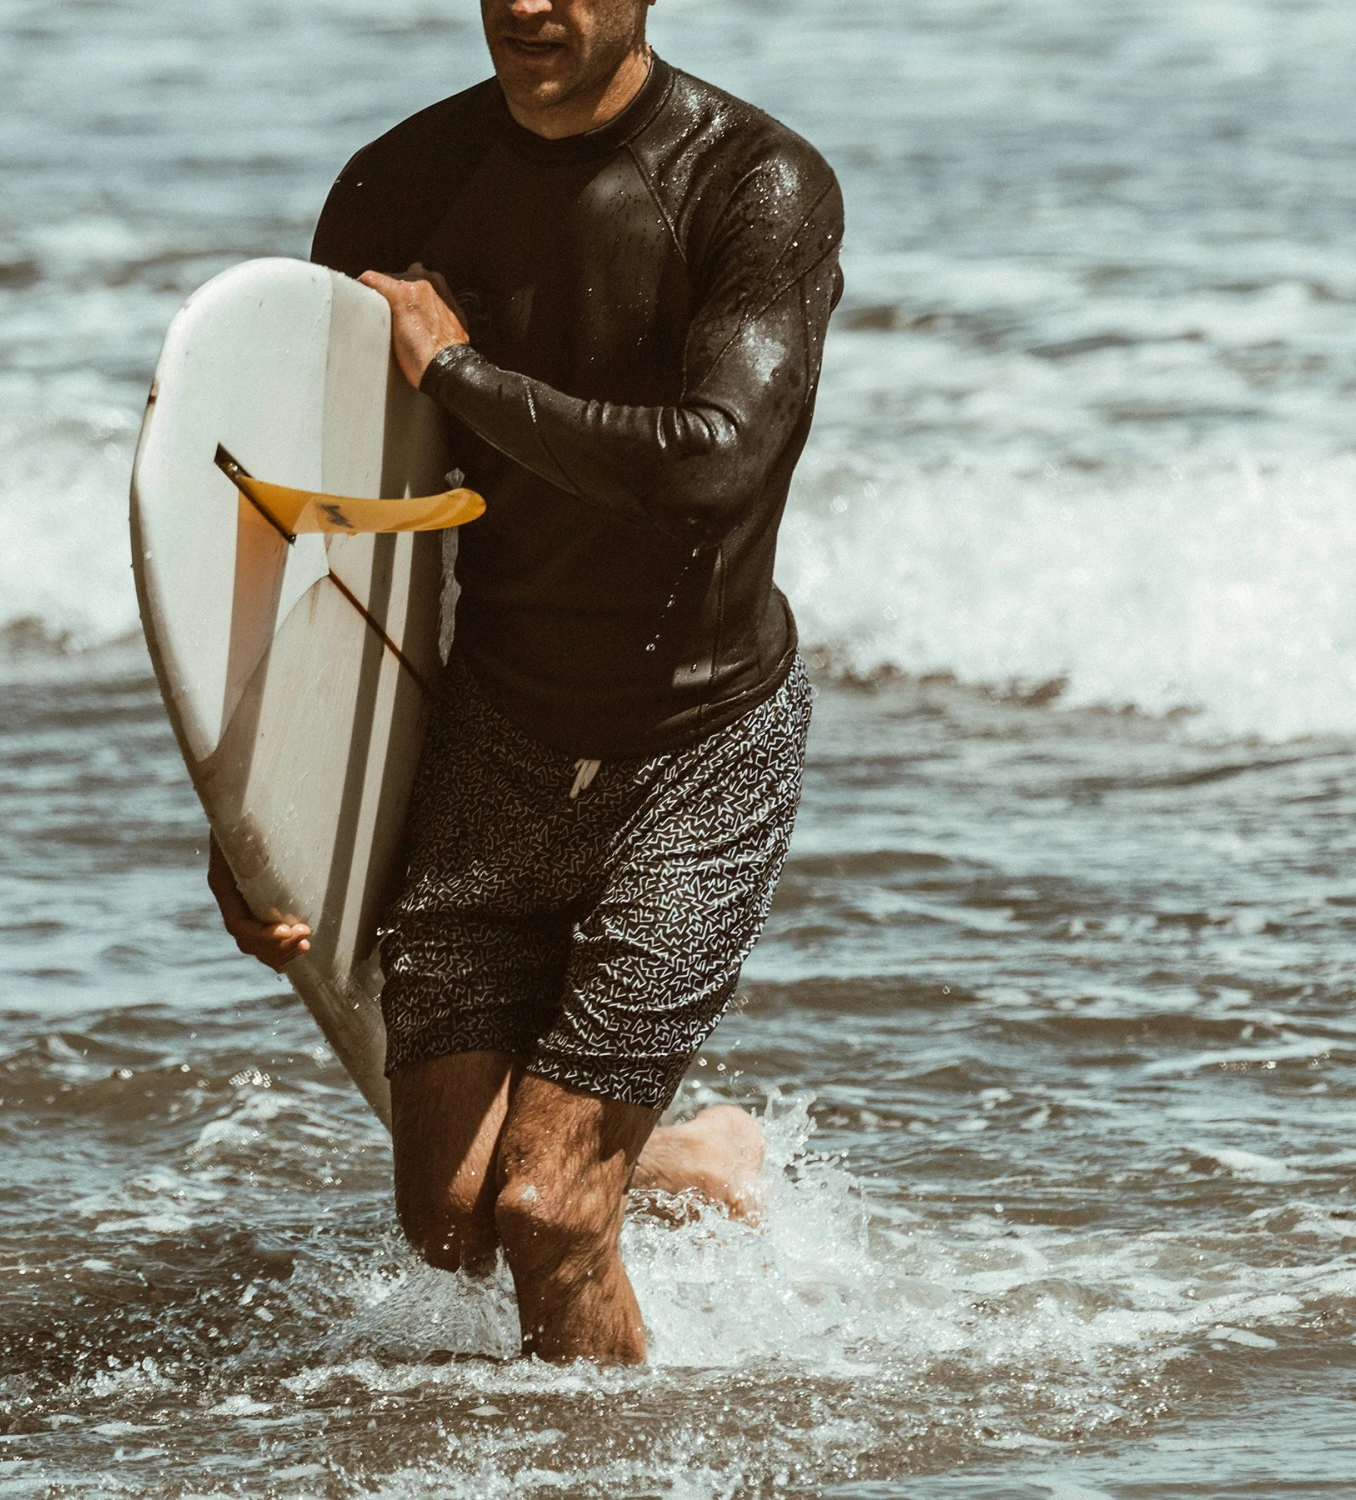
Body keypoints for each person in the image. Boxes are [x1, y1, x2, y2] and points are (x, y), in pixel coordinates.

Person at [208, 0, 843, 1365]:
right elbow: (317, 511)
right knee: (451, 1217)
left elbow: (710, 460)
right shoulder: (404, 182)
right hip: (498, 730)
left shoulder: (753, 185)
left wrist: (456, 368)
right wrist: (247, 803)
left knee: (548, 1213)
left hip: (698, 744)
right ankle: (695, 1160)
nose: (530, 4)